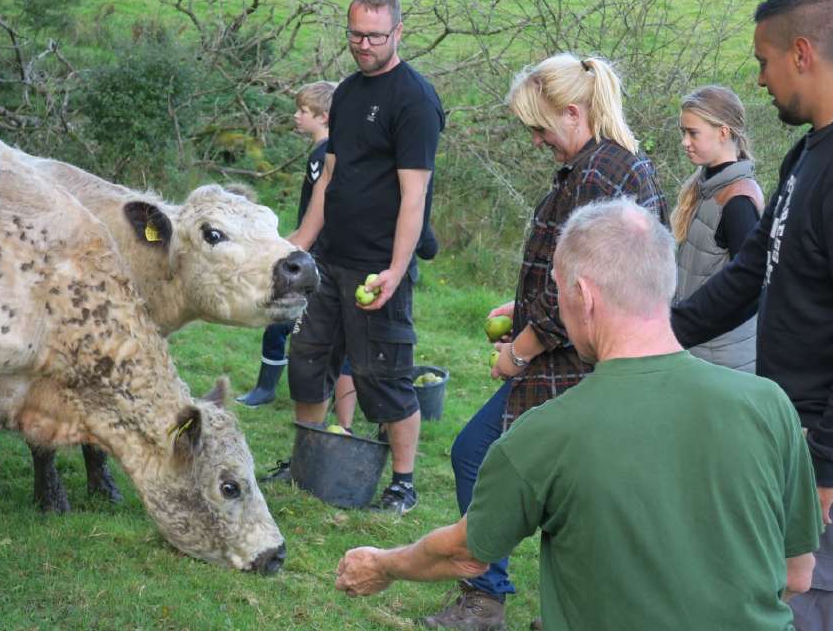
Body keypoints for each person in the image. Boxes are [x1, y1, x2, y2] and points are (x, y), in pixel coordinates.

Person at [334, 198, 823, 631]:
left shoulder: (545, 432)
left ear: (584, 298)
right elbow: (797, 573)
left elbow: (463, 553)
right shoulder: (769, 405)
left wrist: (384, 564)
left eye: (560, 292)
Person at [421, 53, 668, 630]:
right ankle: (521, 603)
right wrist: (523, 302)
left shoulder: (597, 175)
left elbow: (583, 294)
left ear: (575, 112)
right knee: (557, 488)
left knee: (494, 462)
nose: (536, 141)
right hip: (588, 360)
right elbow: (572, 273)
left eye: (540, 127)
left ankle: (498, 602)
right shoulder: (611, 164)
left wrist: (519, 351)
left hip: (577, 368)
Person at [671, 0, 833, 628]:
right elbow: (746, 277)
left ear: (801, 52)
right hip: (784, 436)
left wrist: (825, 463)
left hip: (820, 456)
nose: (758, 78)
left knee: (806, 607)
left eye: (763, 60)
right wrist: (655, 334)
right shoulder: (805, 155)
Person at [279, 0, 445, 515]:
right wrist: (300, 242)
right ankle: (306, 459)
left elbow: (415, 194)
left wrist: (397, 269)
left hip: (378, 265)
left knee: (383, 374)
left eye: (375, 35)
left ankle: (403, 483)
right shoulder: (347, 93)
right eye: (356, 34)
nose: (364, 44)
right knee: (307, 360)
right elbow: (330, 174)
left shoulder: (414, 100)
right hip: (328, 259)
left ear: (399, 33)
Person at [237, 80, 339, 408]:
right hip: (311, 248)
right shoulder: (323, 152)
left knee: (281, 316)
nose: (296, 115)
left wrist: (302, 245)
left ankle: (267, 389)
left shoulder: (325, 155)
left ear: (323, 117)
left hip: (317, 255)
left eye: (303, 111)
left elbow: (323, 207)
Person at [672, 85, 763, 373]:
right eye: (683, 132)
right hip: (699, 352)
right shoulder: (708, 189)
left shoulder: (737, 203)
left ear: (723, 133)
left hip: (724, 363)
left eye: (693, 133)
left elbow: (749, 291)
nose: (685, 142)